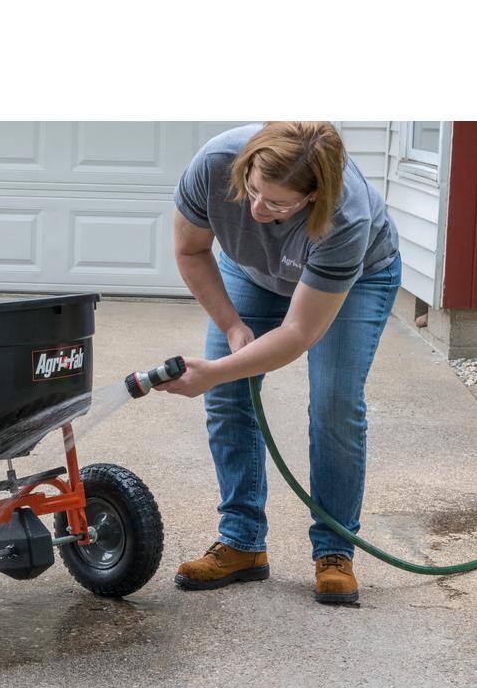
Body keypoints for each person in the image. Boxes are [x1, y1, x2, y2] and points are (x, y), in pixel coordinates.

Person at [157, 122, 401, 605]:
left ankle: (334, 551)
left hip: (357, 281)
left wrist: (214, 370)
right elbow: (190, 249)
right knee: (227, 396)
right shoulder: (214, 163)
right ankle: (242, 543)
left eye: (277, 204)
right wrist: (231, 327)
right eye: (252, 191)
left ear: (313, 197)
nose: (256, 210)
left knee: (334, 403)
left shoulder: (345, 217)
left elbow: (298, 333)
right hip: (252, 272)